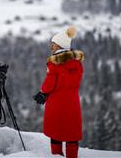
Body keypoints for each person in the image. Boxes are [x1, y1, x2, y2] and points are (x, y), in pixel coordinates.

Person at [34, 26, 84, 158]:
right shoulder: (76, 63)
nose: (51, 47)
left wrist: (42, 92)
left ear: (60, 46)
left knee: (56, 134)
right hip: (72, 102)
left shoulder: (55, 63)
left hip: (57, 103)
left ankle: (57, 156)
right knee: (71, 134)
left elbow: (50, 82)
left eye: (53, 44)